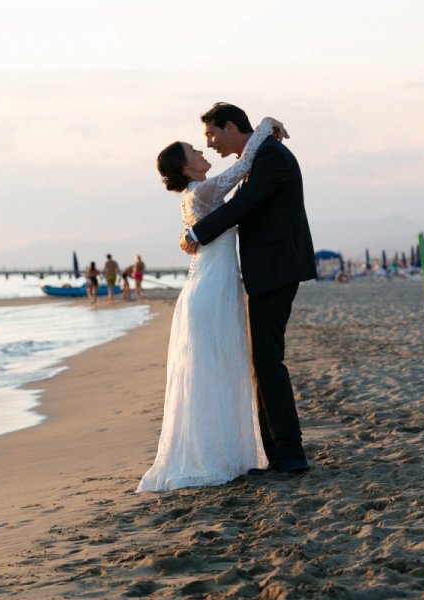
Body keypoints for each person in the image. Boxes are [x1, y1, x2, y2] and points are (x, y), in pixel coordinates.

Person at [137, 114, 281, 493]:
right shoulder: (202, 191)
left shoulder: (200, 195)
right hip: (210, 290)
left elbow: (238, 195)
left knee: (216, 369)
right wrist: (266, 125)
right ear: (185, 167)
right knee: (214, 369)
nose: (203, 150)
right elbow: (244, 167)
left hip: (213, 286)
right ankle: (211, 458)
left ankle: (219, 453)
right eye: (194, 150)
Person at [179, 102, 317, 476]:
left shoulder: (270, 155)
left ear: (229, 126)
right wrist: (267, 122)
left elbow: (246, 204)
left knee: (269, 361)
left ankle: (291, 453)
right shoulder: (260, 154)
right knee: (262, 363)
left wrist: (197, 233)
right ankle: (277, 453)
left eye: (212, 134)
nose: (209, 143)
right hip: (267, 271)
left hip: (276, 269)